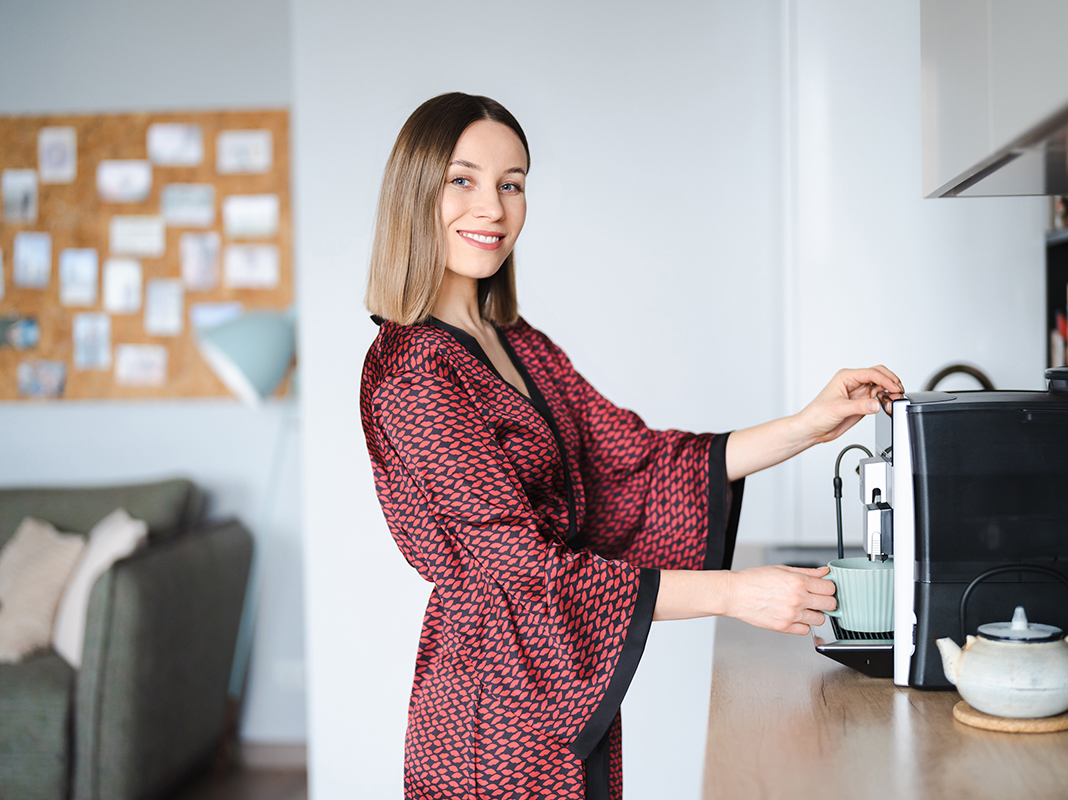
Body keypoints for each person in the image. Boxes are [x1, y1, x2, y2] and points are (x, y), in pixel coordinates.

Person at [359, 92, 904, 800]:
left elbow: (635, 466)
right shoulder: (414, 372)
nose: (491, 208)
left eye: (512, 182)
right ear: (415, 191)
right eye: (462, 180)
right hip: (488, 716)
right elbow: (526, 572)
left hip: (562, 698)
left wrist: (807, 423)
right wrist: (734, 594)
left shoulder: (518, 344)